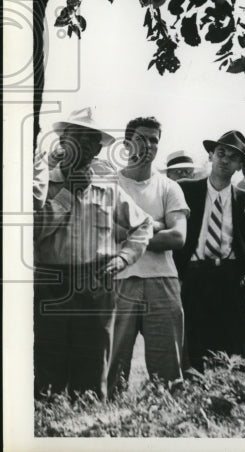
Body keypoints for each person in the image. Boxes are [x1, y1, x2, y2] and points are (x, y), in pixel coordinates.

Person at [34, 108, 153, 399]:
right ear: (63, 140)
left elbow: (144, 224)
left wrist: (124, 257)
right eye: (77, 137)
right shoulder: (43, 183)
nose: (84, 146)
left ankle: (88, 416)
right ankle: (48, 414)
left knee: (93, 360)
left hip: (96, 282)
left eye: (91, 141)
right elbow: (34, 231)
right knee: (49, 360)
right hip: (52, 281)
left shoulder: (107, 187)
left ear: (98, 149)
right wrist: (68, 193)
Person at [108, 117, 189, 398]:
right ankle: (109, 418)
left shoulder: (169, 187)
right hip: (120, 280)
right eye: (141, 138)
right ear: (127, 143)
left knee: (168, 370)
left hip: (162, 280)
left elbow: (177, 237)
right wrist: (155, 225)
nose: (149, 145)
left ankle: (165, 417)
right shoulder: (110, 185)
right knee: (112, 366)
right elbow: (104, 234)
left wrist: (131, 233)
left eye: (154, 140)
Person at [174, 130, 245, 371]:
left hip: (232, 279)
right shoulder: (185, 190)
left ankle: (229, 392)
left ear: (240, 166)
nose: (225, 160)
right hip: (194, 276)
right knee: (193, 350)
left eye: (233, 157)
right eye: (221, 153)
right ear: (211, 155)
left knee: (233, 352)